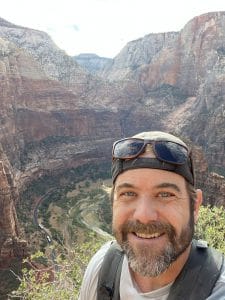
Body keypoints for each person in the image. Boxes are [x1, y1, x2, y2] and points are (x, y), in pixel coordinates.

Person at [78, 131, 225, 300]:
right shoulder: (101, 268)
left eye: (165, 195)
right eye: (128, 194)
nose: (144, 216)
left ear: (195, 206)